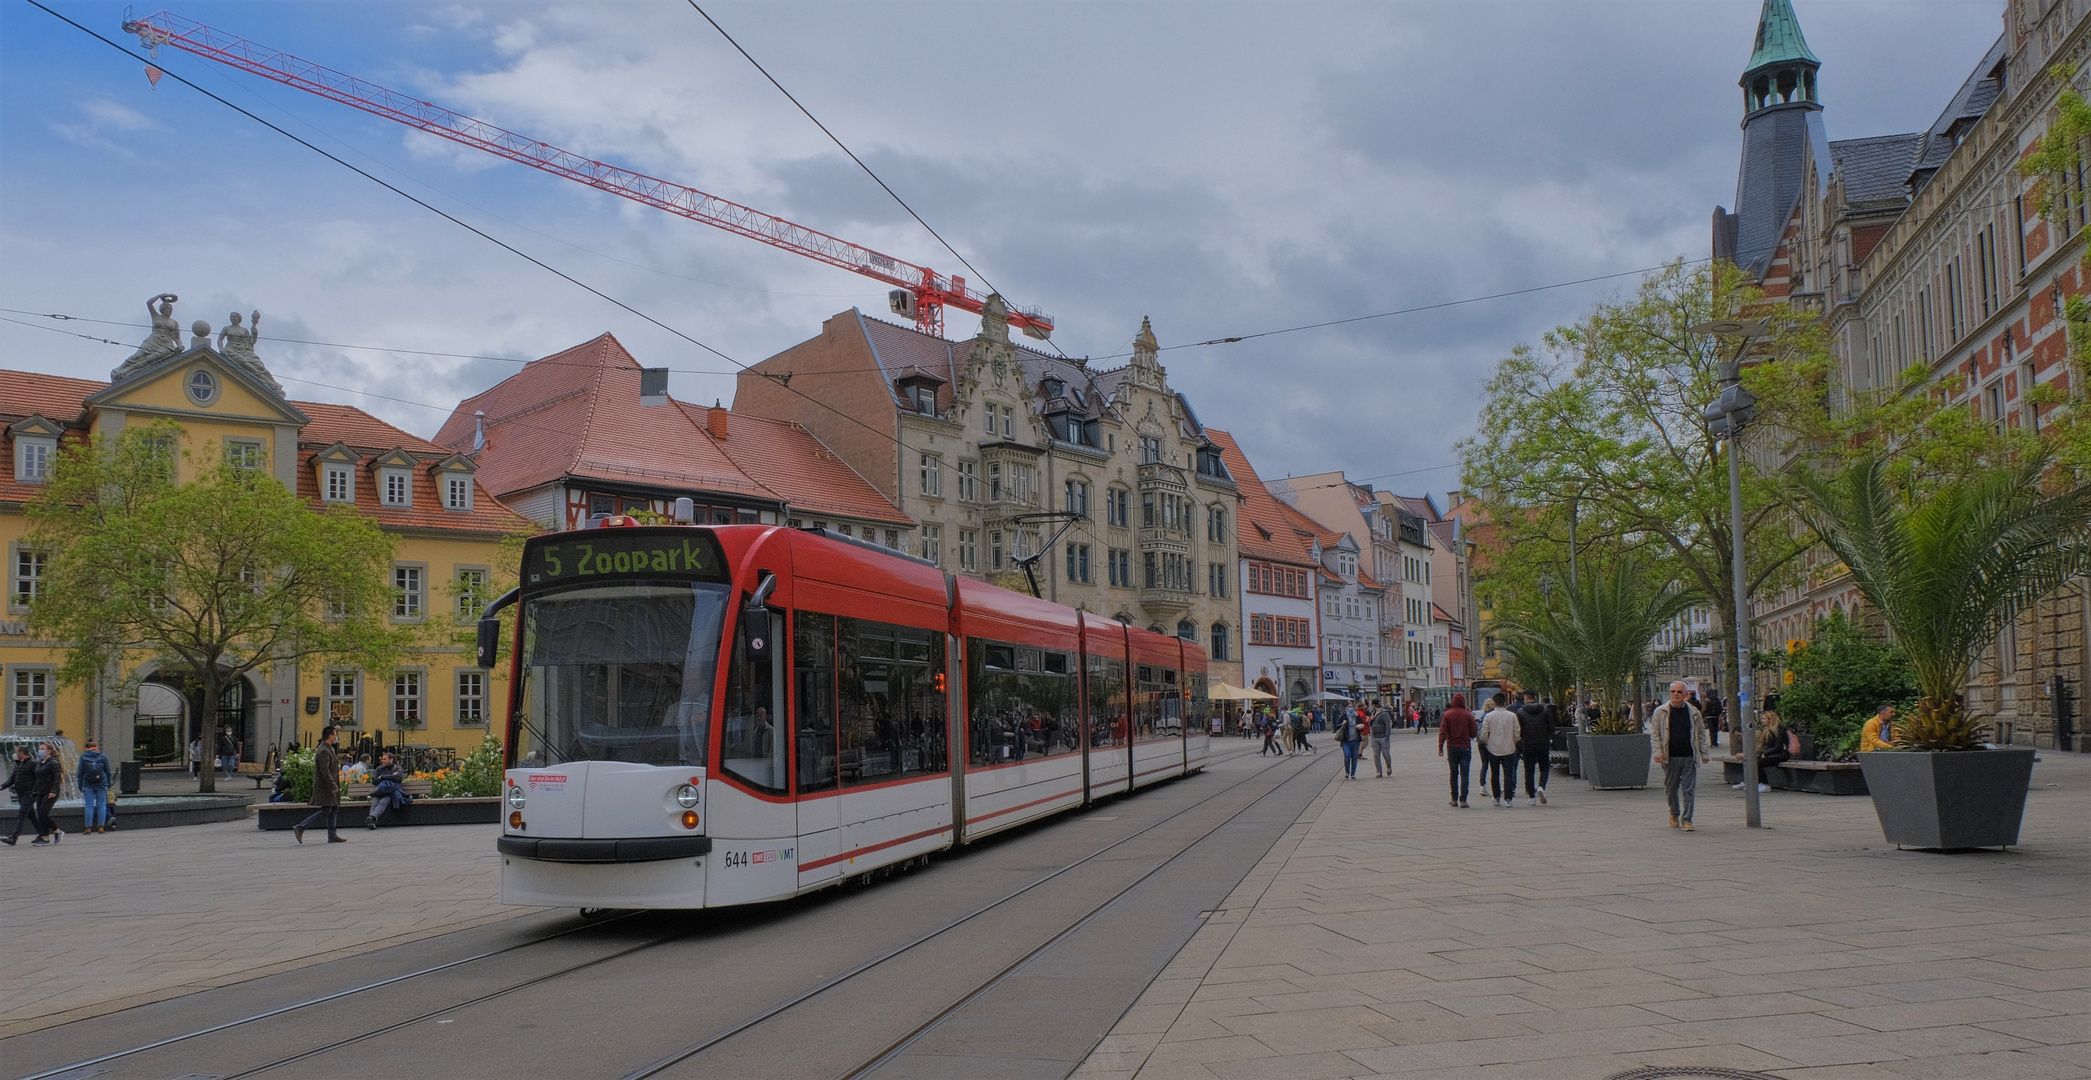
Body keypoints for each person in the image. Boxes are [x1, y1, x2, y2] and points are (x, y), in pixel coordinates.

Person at [1652, 681, 1710, 831]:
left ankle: (1687, 820)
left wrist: (1704, 753)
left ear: (1685, 694)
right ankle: (1674, 813)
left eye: (1679, 692)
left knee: (1688, 789)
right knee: (1671, 788)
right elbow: (1656, 734)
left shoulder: (1694, 712)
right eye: (1673, 692)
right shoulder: (1661, 711)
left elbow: (1701, 734)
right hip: (1670, 756)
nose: (1676, 694)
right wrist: (1658, 753)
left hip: (1688, 756)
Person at [293, 725, 346, 844]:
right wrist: (332, 785)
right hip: (325, 786)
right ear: (330, 736)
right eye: (335, 734)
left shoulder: (329, 748)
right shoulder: (323, 750)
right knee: (327, 809)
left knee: (334, 808)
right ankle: (301, 827)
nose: (336, 737)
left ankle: (332, 835)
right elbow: (324, 770)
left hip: (329, 784)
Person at [1742, 694, 1792, 793]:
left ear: (1770, 720)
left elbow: (1778, 746)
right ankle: (1753, 782)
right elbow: (1767, 745)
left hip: (1780, 755)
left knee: (1758, 763)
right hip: (1772, 753)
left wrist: (1766, 753)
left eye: (1764, 719)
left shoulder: (1778, 730)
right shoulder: (1768, 730)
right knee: (1751, 761)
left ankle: (1765, 784)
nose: (1762, 721)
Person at [1478, 693, 1522, 806]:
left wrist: (1487, 742)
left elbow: (1483, 733)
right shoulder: (1512, 715)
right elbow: (1517, 732)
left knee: (1494, 773)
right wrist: (1515, 741)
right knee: (1508, 774)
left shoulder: (1489, 716)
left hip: (1493, 748)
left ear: (1494, 702)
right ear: (1505, 702)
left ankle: (1496, 797)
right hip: (1509, 748)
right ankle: (1508, 799)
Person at [1437, 693, 1477, 808]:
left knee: (1453, 773)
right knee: (1465, 774)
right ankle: (1463, 799)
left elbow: (1443, 732)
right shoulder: (1468, 715)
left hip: (1452, 747)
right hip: (1465, 747)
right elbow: (1474, 732)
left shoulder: (1447, 715)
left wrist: (1440, 746)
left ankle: (1454, 798)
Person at [1516, 691, 1553, 806]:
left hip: (1528, 744)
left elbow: (1519, 730)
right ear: (1535, 698)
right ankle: (1541, 786)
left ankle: (1531, 797)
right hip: (1542, 743)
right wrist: (1547, 736)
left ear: (1526, 698)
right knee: (1544, 768)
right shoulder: (1544, 710)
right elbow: (1551, 727)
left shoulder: (1521, 712)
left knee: (1529, 770)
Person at [2, 745, 39, 846]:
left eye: (16, 752)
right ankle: (43, 833)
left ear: (21, 754)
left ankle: (14, 838)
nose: (14, 754)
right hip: (21, 794)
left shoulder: (32, 763)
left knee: (22, 813)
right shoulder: (18, 763)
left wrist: (34, 791)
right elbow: (12, 778)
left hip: (30, 793)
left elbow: (38, 778)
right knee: (32, 816)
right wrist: (2, 786)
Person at [366, 751, 412, 828]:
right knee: (375, 801)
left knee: (383, 801)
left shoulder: (397, 768)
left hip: (390, 792)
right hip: (379, 791)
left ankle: (371, 818)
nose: (382, 761)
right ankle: (372, 819)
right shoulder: (379, 769)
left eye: (385, 759)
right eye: (382, 759)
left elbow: (397, 777)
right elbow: (374, 781)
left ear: (391, 760)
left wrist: (382, 777)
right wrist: (390, 776)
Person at [76, 740, 112, 835]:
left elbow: (80, 773)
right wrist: (108, 784)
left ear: (87, 748)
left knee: (89, 806)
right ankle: (101, 827)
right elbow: (108, 771)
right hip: (101, 783)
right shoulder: (103, 756)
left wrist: (80, 785)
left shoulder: (83, 757)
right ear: (96, 747)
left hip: (87, 783)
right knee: (101, 805)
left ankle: (88, 828)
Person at [32, 744, 63, 844]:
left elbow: (57, 778)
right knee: (40, 815)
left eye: (42, 749)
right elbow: (38, 778)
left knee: (43, 814)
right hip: (41, 791)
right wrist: (35, 790)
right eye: (39, 749)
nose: (40, 751)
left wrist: (53, 791)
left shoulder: (53, 762)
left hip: (50, 792)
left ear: (49, 751)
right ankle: (45, 837)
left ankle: (57, 831)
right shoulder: (40, 762)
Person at [1370, 699, 1397, 778]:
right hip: (1374, 737)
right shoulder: (1373, 713)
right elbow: (1371, 724)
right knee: (1376, 755)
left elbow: (1387, 725)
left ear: (1374, 705)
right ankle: (1379, 771)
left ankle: (1388, 767)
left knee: (1385, 754)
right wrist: (1371, 720)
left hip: (1383, 737)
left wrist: (1387, 736)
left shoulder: (1384, 713)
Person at [1336, 705, 1363, 778]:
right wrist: (1342, 724)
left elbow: (1361, 725)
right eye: (1349, 706)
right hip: (1345, 740)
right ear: (1347, 708)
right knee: (1347, 755)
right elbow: (1336, 725)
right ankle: (1347, 772)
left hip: (1355, 740)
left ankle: (1353, 774)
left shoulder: (1357, 716)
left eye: (1352, 707)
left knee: (1354, 757)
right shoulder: (1343, 716)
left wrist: (1360, 727)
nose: (1351, 708)